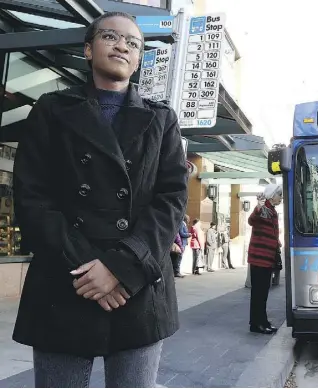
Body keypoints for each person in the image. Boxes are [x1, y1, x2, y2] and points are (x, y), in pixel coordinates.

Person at [11, 11, 188, 388]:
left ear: (138, 59)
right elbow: (31, 196)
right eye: (111, 36)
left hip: (135, 287)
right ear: (89, 49)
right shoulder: (51, 110)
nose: (122, 45)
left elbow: (171, 200)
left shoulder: (161, 119)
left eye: (133, 42)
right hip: (67, 279)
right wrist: (88, 270)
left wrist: (120, 269)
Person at [247, 184, 283, 334]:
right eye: (279, 195)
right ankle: (258, 324)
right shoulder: (264, 209)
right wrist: (258, 207)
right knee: (259, 293)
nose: (281, 198)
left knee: (261, 293)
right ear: (272, 196)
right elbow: (252, 219)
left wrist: (277, 241)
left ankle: (260, 322)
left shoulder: (272, 211)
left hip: (266, 258)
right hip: (260, 258)